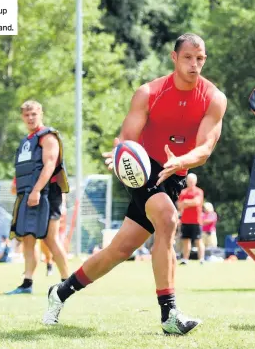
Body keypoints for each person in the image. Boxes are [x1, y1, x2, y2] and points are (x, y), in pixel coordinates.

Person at [43, 33, 227, 335]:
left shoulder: (214, 98)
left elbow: (205, 149)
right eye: (188, 58)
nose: (195, 65)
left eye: (200, 58)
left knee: (119, 250)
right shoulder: (149, 93)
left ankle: (60, 292)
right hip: (143, 168)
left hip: (175, 171)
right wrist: (120, 154)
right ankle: (169, 315)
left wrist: (181, 161)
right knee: (168, 220)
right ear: (174, 57)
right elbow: (128, 139)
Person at [6, 100, 71, 295]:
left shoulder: (48, 137)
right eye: (26, 115)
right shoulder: (26, 141)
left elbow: (49, 165)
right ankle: (27, 283)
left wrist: (35, 191)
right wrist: (17, 183)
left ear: (40, 113)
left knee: (50, 239)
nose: (30, 118)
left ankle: (67, 283)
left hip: (48, 194)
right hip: (28, 193)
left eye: (33, 114)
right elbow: (27, 166)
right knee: (27, 237)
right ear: (22, 117)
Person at [178, 173, 205, 264]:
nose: (190, 182)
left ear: (195, 181)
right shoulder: (183, 192)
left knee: (198, 240)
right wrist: (188, 203)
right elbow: (179, 205)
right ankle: (185, 259)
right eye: (189, 180)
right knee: (186, 241)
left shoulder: (199, 191)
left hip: (196, 221)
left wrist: (186, 202)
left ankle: (201, 259)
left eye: (192, 180)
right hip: (185, 220)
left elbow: (197, 202)